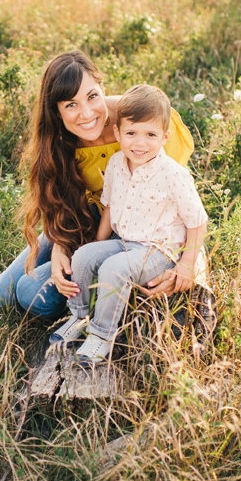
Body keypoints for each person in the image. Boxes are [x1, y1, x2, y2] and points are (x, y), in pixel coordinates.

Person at [0, 51, 196, 319]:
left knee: (30, 294)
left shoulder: (142, 120)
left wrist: (187, 262)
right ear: (57, 111)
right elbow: (60, 203)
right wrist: (60, 249)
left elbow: (186, 199)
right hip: (79, 217)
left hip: (132, 226)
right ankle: (86, 283)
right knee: (1, 295)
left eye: (92, 96)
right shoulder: (57, 138)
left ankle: (99, 294)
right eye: (70, 105)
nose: (86, 114)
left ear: (102, 88)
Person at [48, 84, 208, 364]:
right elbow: (108, 208)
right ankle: (79, 316)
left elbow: (197, 221)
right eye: (131, 133)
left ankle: (102, 335)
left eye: (150, 135)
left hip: (159, 251)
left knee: (114, 268)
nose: (140, 143)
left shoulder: (174, 174)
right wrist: (98, 244)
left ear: (164, 137)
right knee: (84, 255)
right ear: (118, 133)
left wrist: (187, 264)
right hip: (123, 241)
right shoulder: (116, 164)